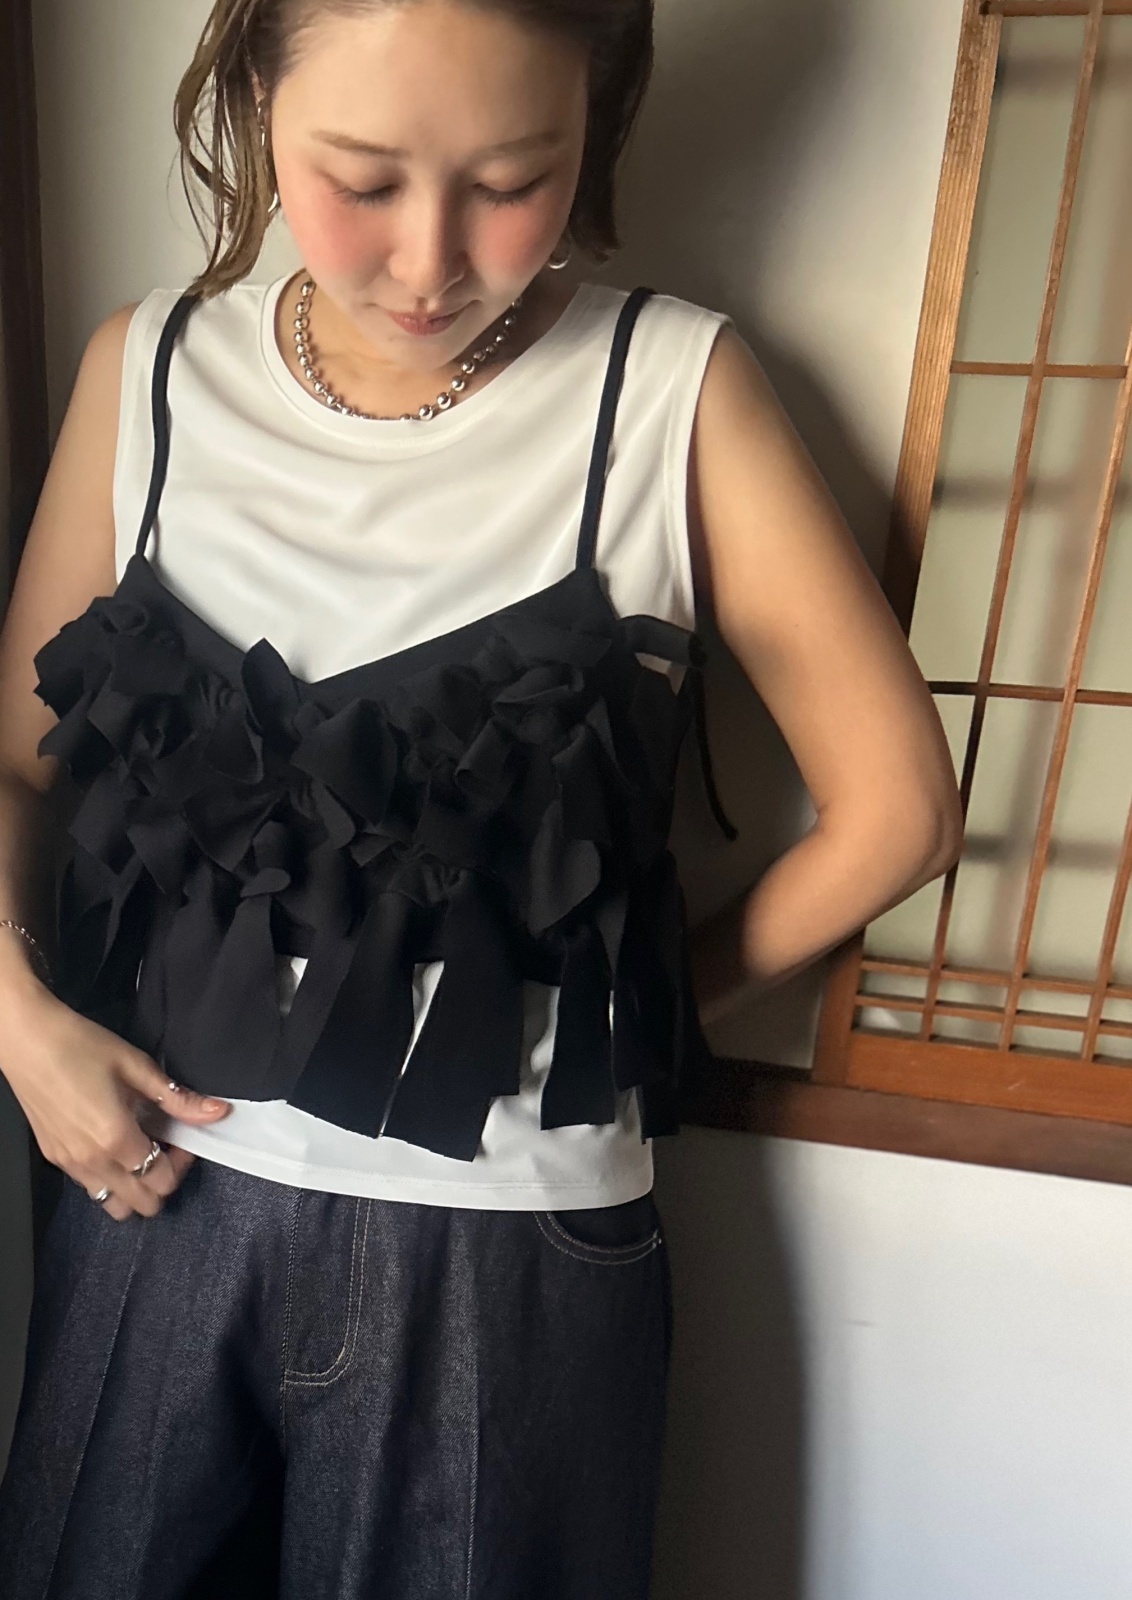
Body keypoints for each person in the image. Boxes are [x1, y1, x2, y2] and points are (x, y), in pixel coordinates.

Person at [0, 0, 963, 1595]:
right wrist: (17, 1022)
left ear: (599, 127)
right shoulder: (148, 370)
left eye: (515, 179)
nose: (430, 261)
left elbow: (899, 814)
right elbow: (15, 762)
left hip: (507, 1256)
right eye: (362, 178)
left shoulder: (669, 390)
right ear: (254, 102)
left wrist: (620, 1015)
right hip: (156, 1200)